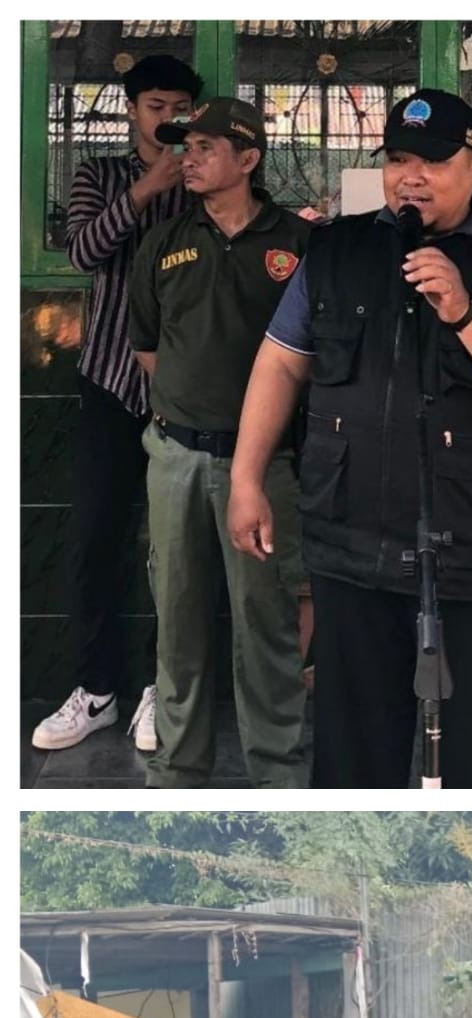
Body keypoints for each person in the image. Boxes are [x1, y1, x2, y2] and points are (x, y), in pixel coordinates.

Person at [228, 88, 472, 789]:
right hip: (351, 548)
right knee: (351, 757)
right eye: (397, 159)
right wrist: (246, 480)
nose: (412, 175)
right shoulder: (336, 251)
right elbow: (279, 361)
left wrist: (465, 310)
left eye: (434, 159)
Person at [126, 97, 312, 788]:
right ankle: (179, 766)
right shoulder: (163, 243)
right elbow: (148, 349)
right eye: (187, 146)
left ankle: (278, 770)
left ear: (249, 160)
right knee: (178, 622)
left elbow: (312, 358)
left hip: (263, 467)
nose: (190, 158)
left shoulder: (296, 244)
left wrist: (255, 455)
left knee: (265, 623)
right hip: (175, 456)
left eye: (206, 147)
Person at [32, 53, 200, 757]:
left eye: (177, 107)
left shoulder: (202, 176)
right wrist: (142, 191)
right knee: (96, 539)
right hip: (107, 380)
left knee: (178, 549)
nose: (167, 119)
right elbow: (82, 252)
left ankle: (163, 690)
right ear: (133, 110)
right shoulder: (97, 176)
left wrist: (179, 182)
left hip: (188, 386)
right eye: (154, 105)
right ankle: (95, 690)